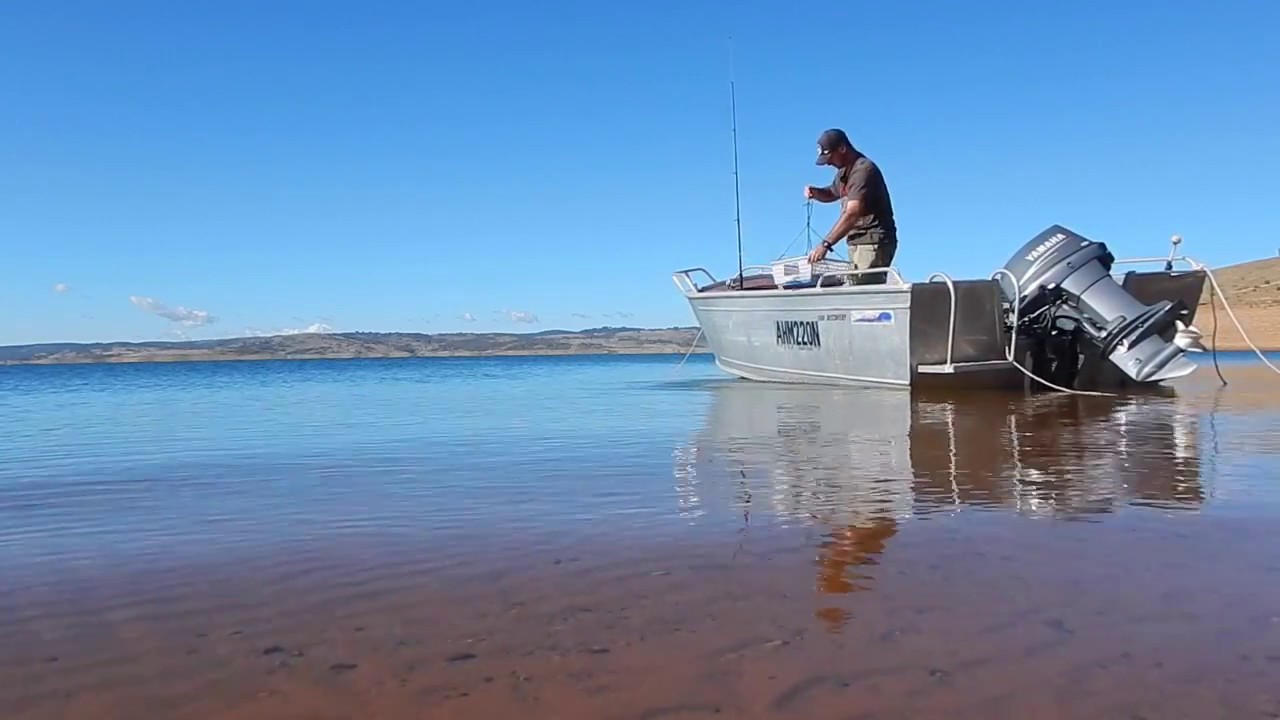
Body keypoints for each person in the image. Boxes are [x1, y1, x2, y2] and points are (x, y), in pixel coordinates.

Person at [803, 128, 898, 285]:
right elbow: (832, 192)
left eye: (830, 157)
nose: (828, 163)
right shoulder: (844, 173)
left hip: (872, 241)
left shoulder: (863, 170)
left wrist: (825, 244)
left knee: (864, 295)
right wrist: (816, 192)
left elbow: (852, 213)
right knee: (855, 291)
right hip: (857, 242)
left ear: (842, 149)